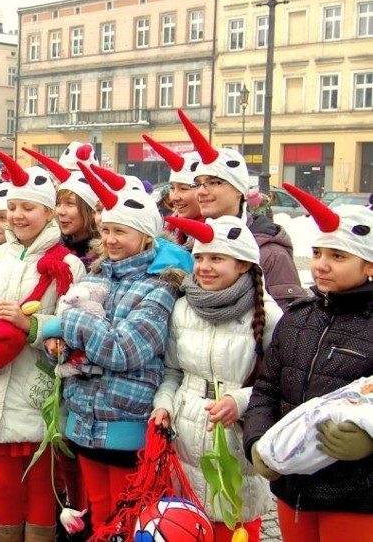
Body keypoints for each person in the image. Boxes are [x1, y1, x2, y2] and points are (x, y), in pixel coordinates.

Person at [42, 164, 185, 536]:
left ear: (146, 236)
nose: (110, 240)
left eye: (120, 231)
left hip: (126, 422)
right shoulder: (95, 276)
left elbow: (124, 349)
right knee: (99, 515)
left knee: (130, 516)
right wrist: (57, 341)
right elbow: (74, 340)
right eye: (105, 230)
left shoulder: (160, 287)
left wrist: (66, 326)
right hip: (85, 419)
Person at [0, 150, 84, 542]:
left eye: (29, 207)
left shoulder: (67, 265)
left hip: (33, 388)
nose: (18, 216)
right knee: (4, 486)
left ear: (48, 212)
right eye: (12, 207)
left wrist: (32, 326)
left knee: (40, 487)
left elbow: (73, 327)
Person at [244, 185, 373, 542]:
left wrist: (369, 439)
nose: (321, 264)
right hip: (293, 491)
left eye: (338, 255)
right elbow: (266, 389)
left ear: (370, 265)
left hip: (355, 497)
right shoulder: (298, 318)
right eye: (317, 252)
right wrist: (256, 441)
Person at [152, 215, 283, 542]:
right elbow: (172, 371)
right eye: (199, 257)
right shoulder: (183, 308)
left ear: (242, 265)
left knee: (234, 525)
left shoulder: (267, 314)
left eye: (216, 258)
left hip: (237, 439)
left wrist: (240, 402)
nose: (204, 267)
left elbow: (280, 383)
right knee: (187, 527)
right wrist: (164, 405)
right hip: (187, 436)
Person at [178, 109, 305, 310]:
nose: (201, 192)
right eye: (198, 184)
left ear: (240, 190)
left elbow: (287, 324)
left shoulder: (270, 252)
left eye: (214, 182)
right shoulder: (192, 243)